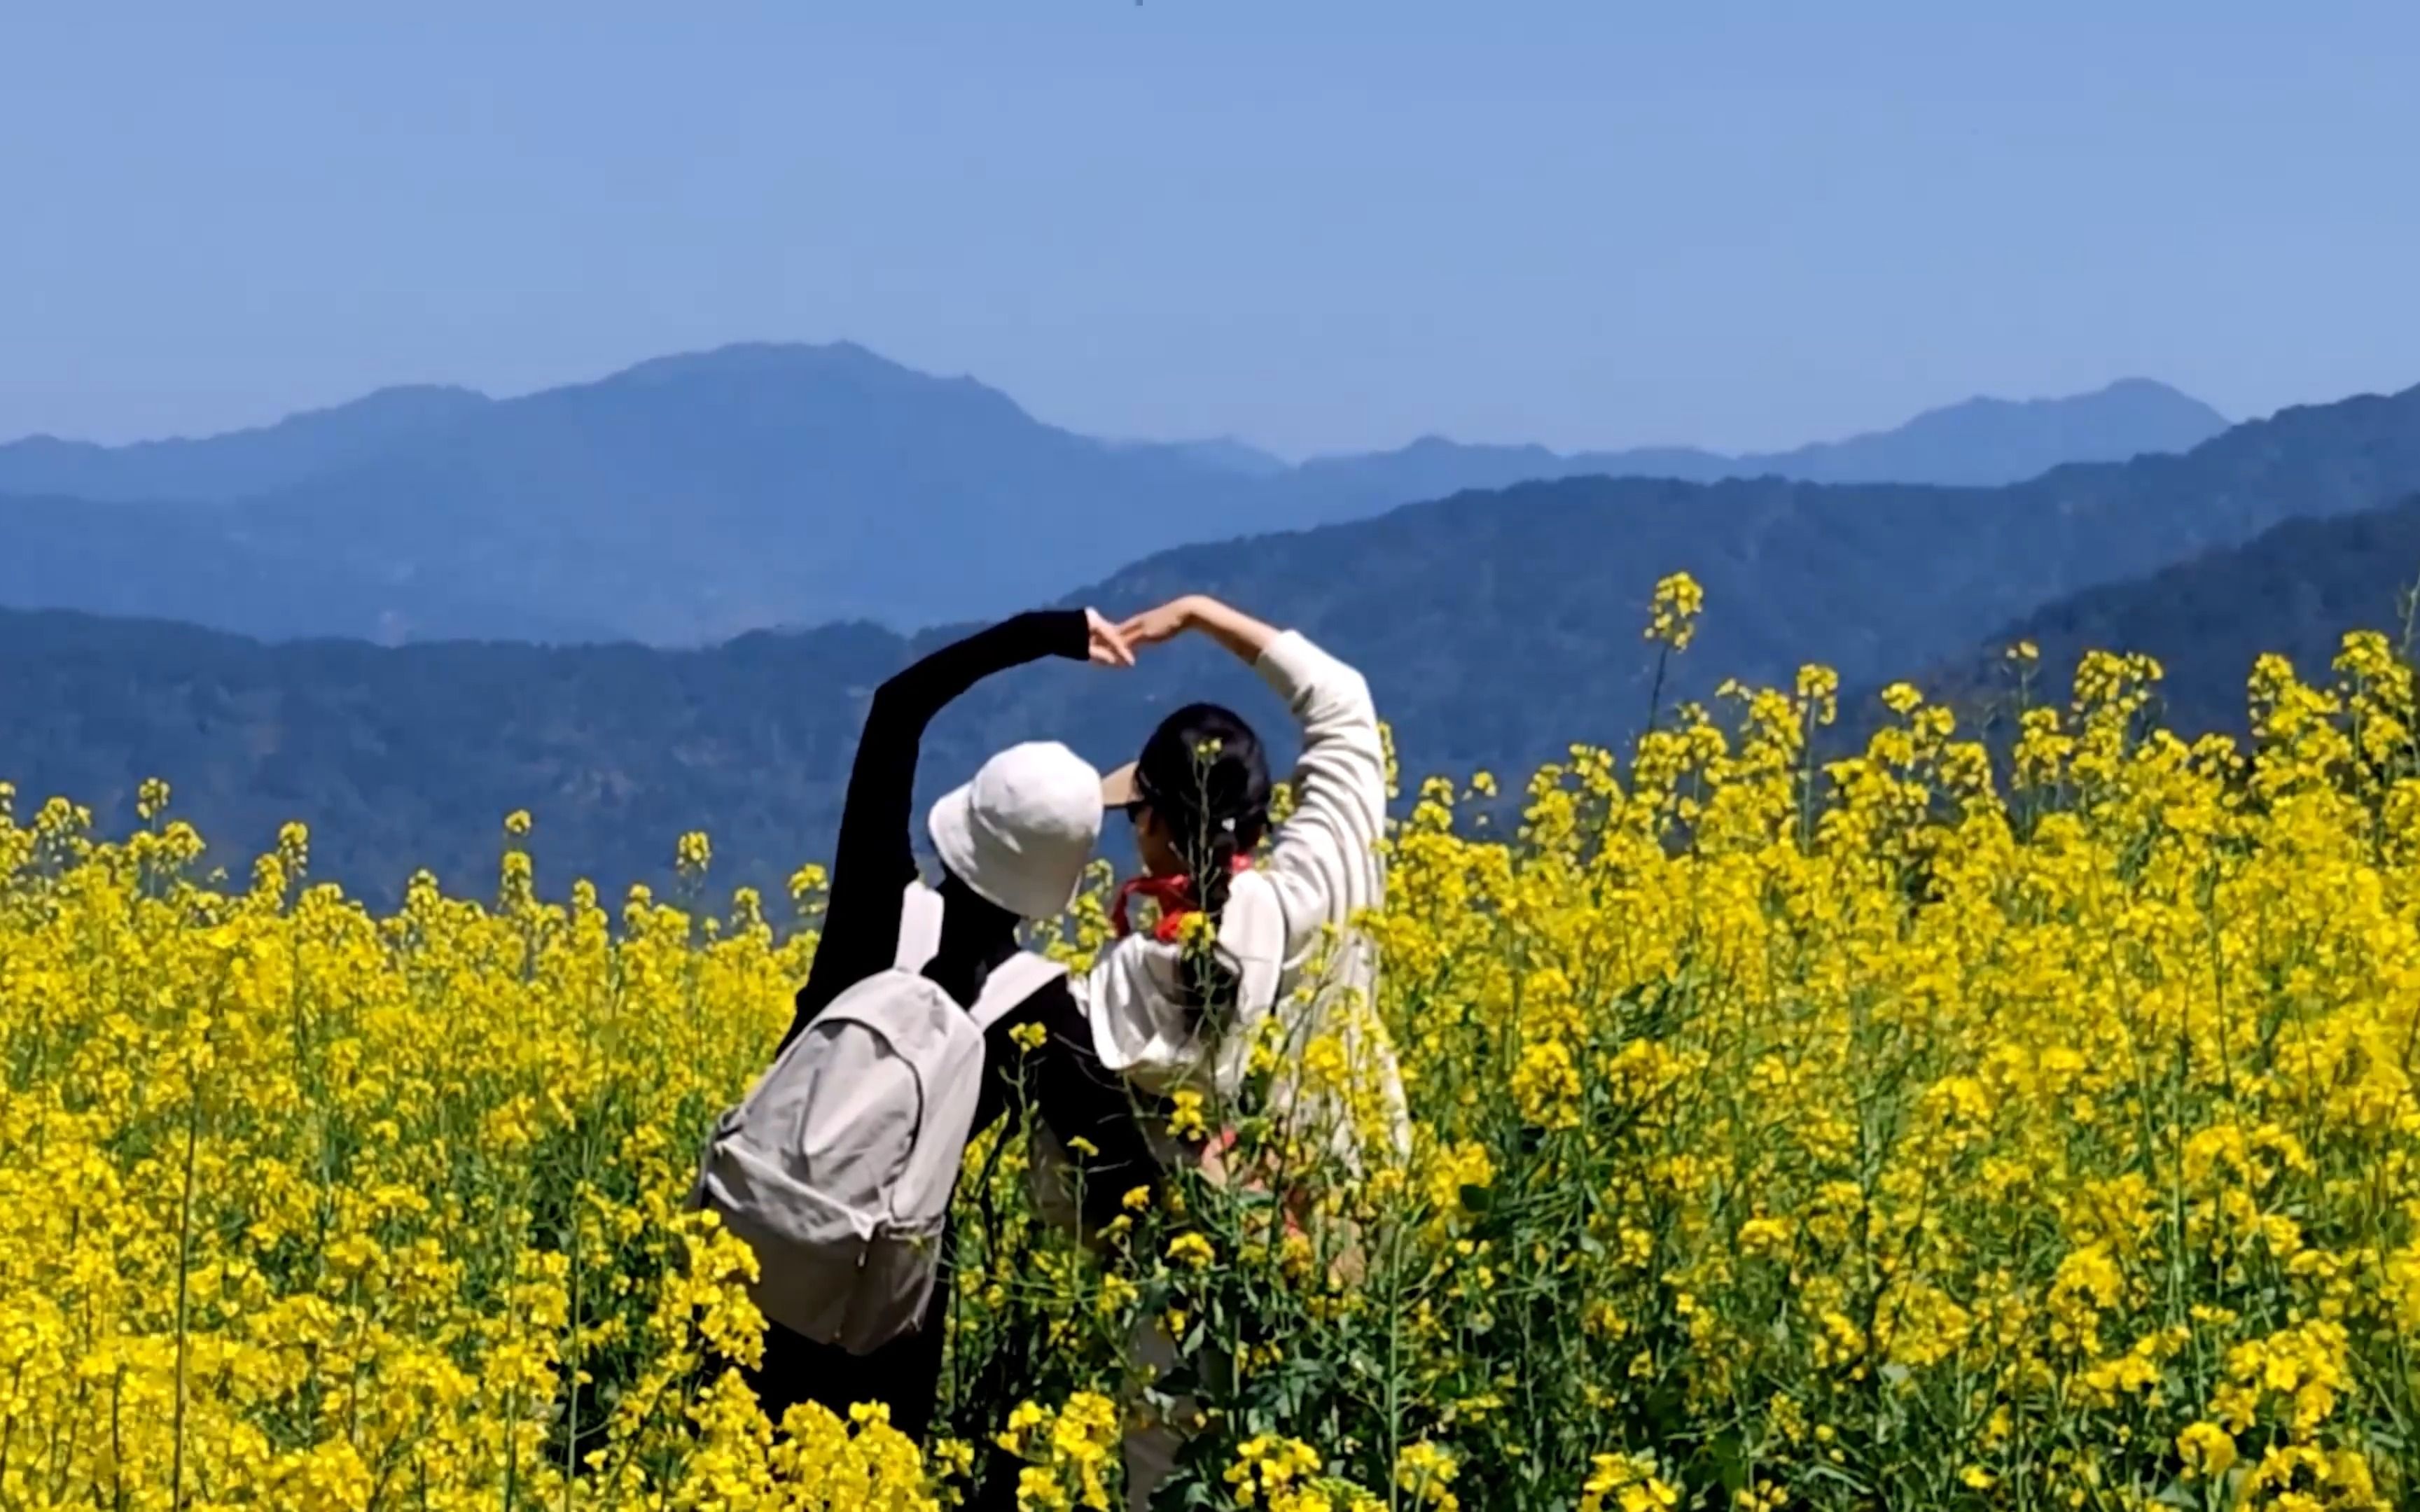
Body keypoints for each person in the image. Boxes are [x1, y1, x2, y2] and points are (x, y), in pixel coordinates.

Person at [741, 605, 1162, 1446]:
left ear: (965, 822)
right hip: (875, 1318)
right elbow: (1130, 1188)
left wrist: (1050, 633)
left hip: (745, 1266)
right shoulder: (1043, 1012)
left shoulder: (873, 912)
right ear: (1061, 881)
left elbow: (899, 704)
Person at [1062, 593, 1412, 1508]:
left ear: (1156, 828)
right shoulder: (1331, 873)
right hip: (1350, 1245)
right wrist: (1203, 616)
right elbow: (1342, 703)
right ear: (1259, 811)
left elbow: (1054, 1060)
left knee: (1172, 1479)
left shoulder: (1142, 976)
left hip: (1193, 1298)